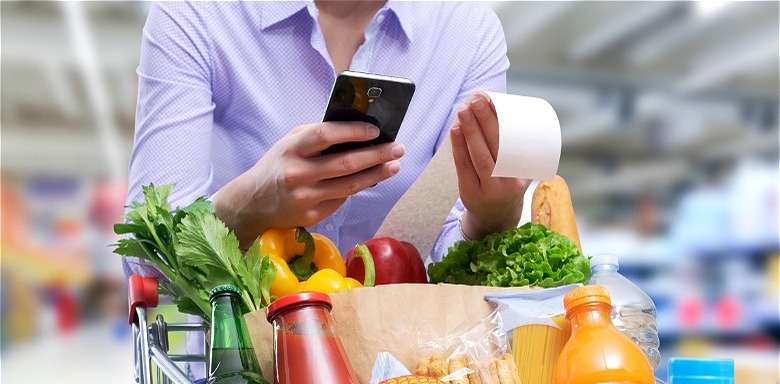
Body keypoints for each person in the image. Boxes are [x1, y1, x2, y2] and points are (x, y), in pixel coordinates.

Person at [126, 0, 530, 267]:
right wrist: (244, 207)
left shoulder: (468, 31)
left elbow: (440, 253)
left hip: (394, 366)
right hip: (235, 356)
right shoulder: (196, 15)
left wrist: (489, 218)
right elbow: (145, 253)